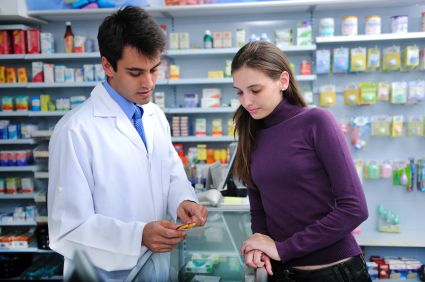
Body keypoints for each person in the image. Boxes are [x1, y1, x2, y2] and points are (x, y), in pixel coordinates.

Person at [48, 6, 207, 281]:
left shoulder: (154, 116)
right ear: (107, 65)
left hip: (156, 268)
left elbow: (170, 174)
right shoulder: (75, 131)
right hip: (105, 275)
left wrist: (183, 199)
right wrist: (138, 236)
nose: (148, 83)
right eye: (135, 72)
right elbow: (67, 230)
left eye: (154, 69)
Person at [232, 41, 371, 282]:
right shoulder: (250, 133)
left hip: (335, 272)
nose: (247, 101)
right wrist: (259, 243)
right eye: (240, 92)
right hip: (282, 273)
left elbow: (354, 208)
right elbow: (260, 208)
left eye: (255, 90)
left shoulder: (317, 122)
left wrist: (283, 248)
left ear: (283, 81)